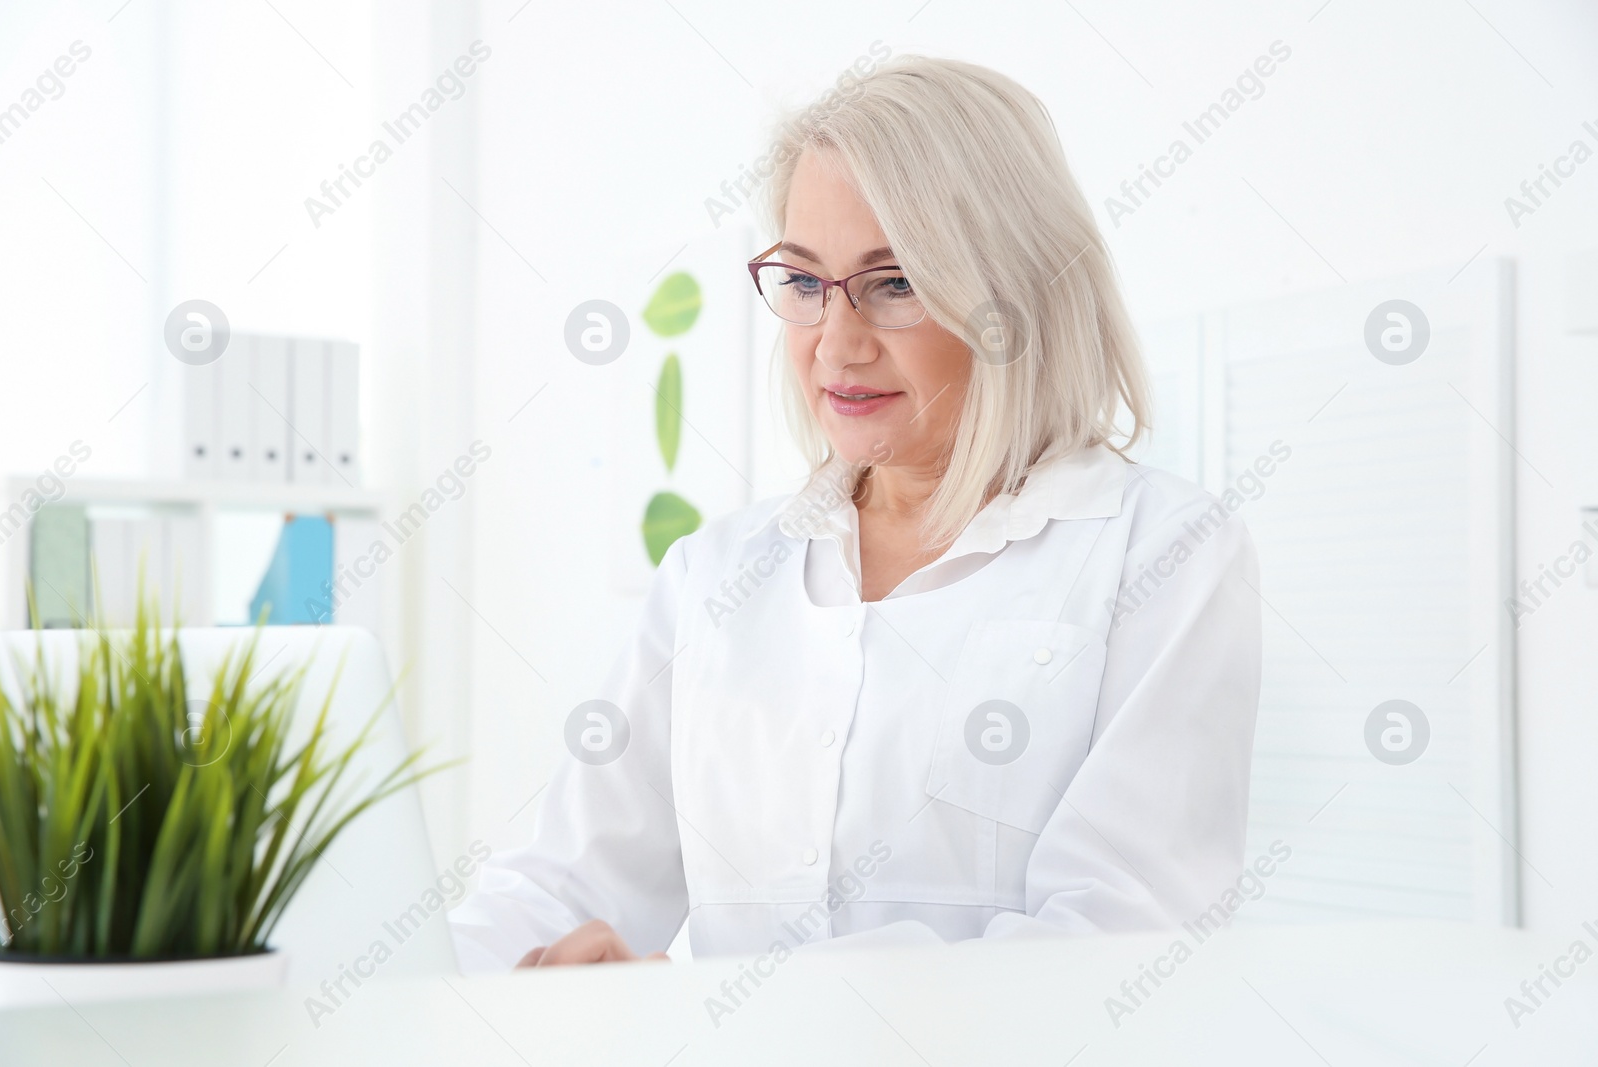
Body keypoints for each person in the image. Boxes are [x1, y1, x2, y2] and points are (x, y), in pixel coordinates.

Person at [449, 54, 1261, 971]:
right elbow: (570, 879)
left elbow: (1118, 936)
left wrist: (718, 1011)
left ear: (1015, 295)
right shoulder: (713, 575)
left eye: (896, 282)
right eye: (804, 282)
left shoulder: (1162, 552)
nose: (836, 343)